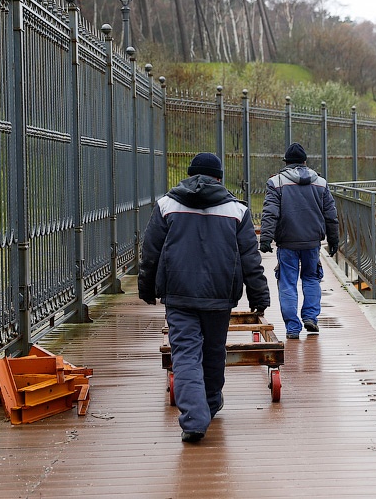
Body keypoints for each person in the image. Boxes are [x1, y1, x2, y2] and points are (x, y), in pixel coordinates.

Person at [138, 152, 270, 443]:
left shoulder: (167, 205)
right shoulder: (238, 211)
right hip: (219, 295)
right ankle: (210, 402)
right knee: (213, 353)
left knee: (185, 354)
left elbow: (151, 252)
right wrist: (258, 294)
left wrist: (146, 288)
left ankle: (194, 419)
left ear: (188, 174)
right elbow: (250, 258)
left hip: (179, 293)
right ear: (219, 177)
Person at [259, 142, 339, 340]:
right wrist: (334, 239)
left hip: (287, 242)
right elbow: (331, 215)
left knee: (287, 282)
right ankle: (311, 317)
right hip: (312, 242)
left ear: (286, 162)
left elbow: (270, 213)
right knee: (311, 278)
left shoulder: (276, 182)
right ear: (305, 162)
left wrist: (266, 238)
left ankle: (292, 327)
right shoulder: (320, 183)